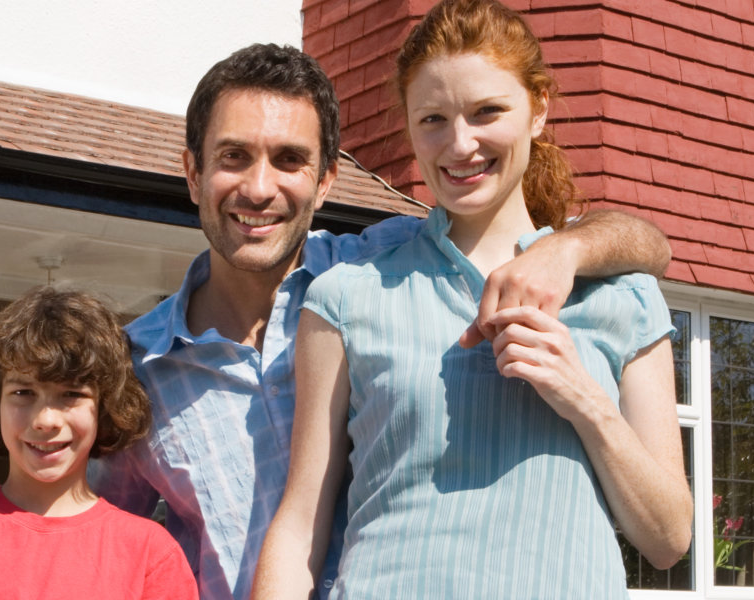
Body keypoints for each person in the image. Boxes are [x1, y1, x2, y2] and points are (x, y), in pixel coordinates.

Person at [0, 43, 673, 600]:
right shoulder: (133, 369)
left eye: (290, 161)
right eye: (232, 158)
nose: (259, 188)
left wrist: (565, 250)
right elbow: (71, 513)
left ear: (327, 177)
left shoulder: (384, 275)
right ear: (192, 171)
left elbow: (646, 243)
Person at [252, 1, 692, 597]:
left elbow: (669, 540)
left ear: (538, 110)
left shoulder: (623, 296)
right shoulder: (344, 298)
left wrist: (584, 400)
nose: (460, 145)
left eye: (488, 112)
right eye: (432, 119)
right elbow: (301, 523)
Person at [0, 286, 195, 600]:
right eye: (23, 393)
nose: (46, 420)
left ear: (105, 407)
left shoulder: (151, 554)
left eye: (72, 394)